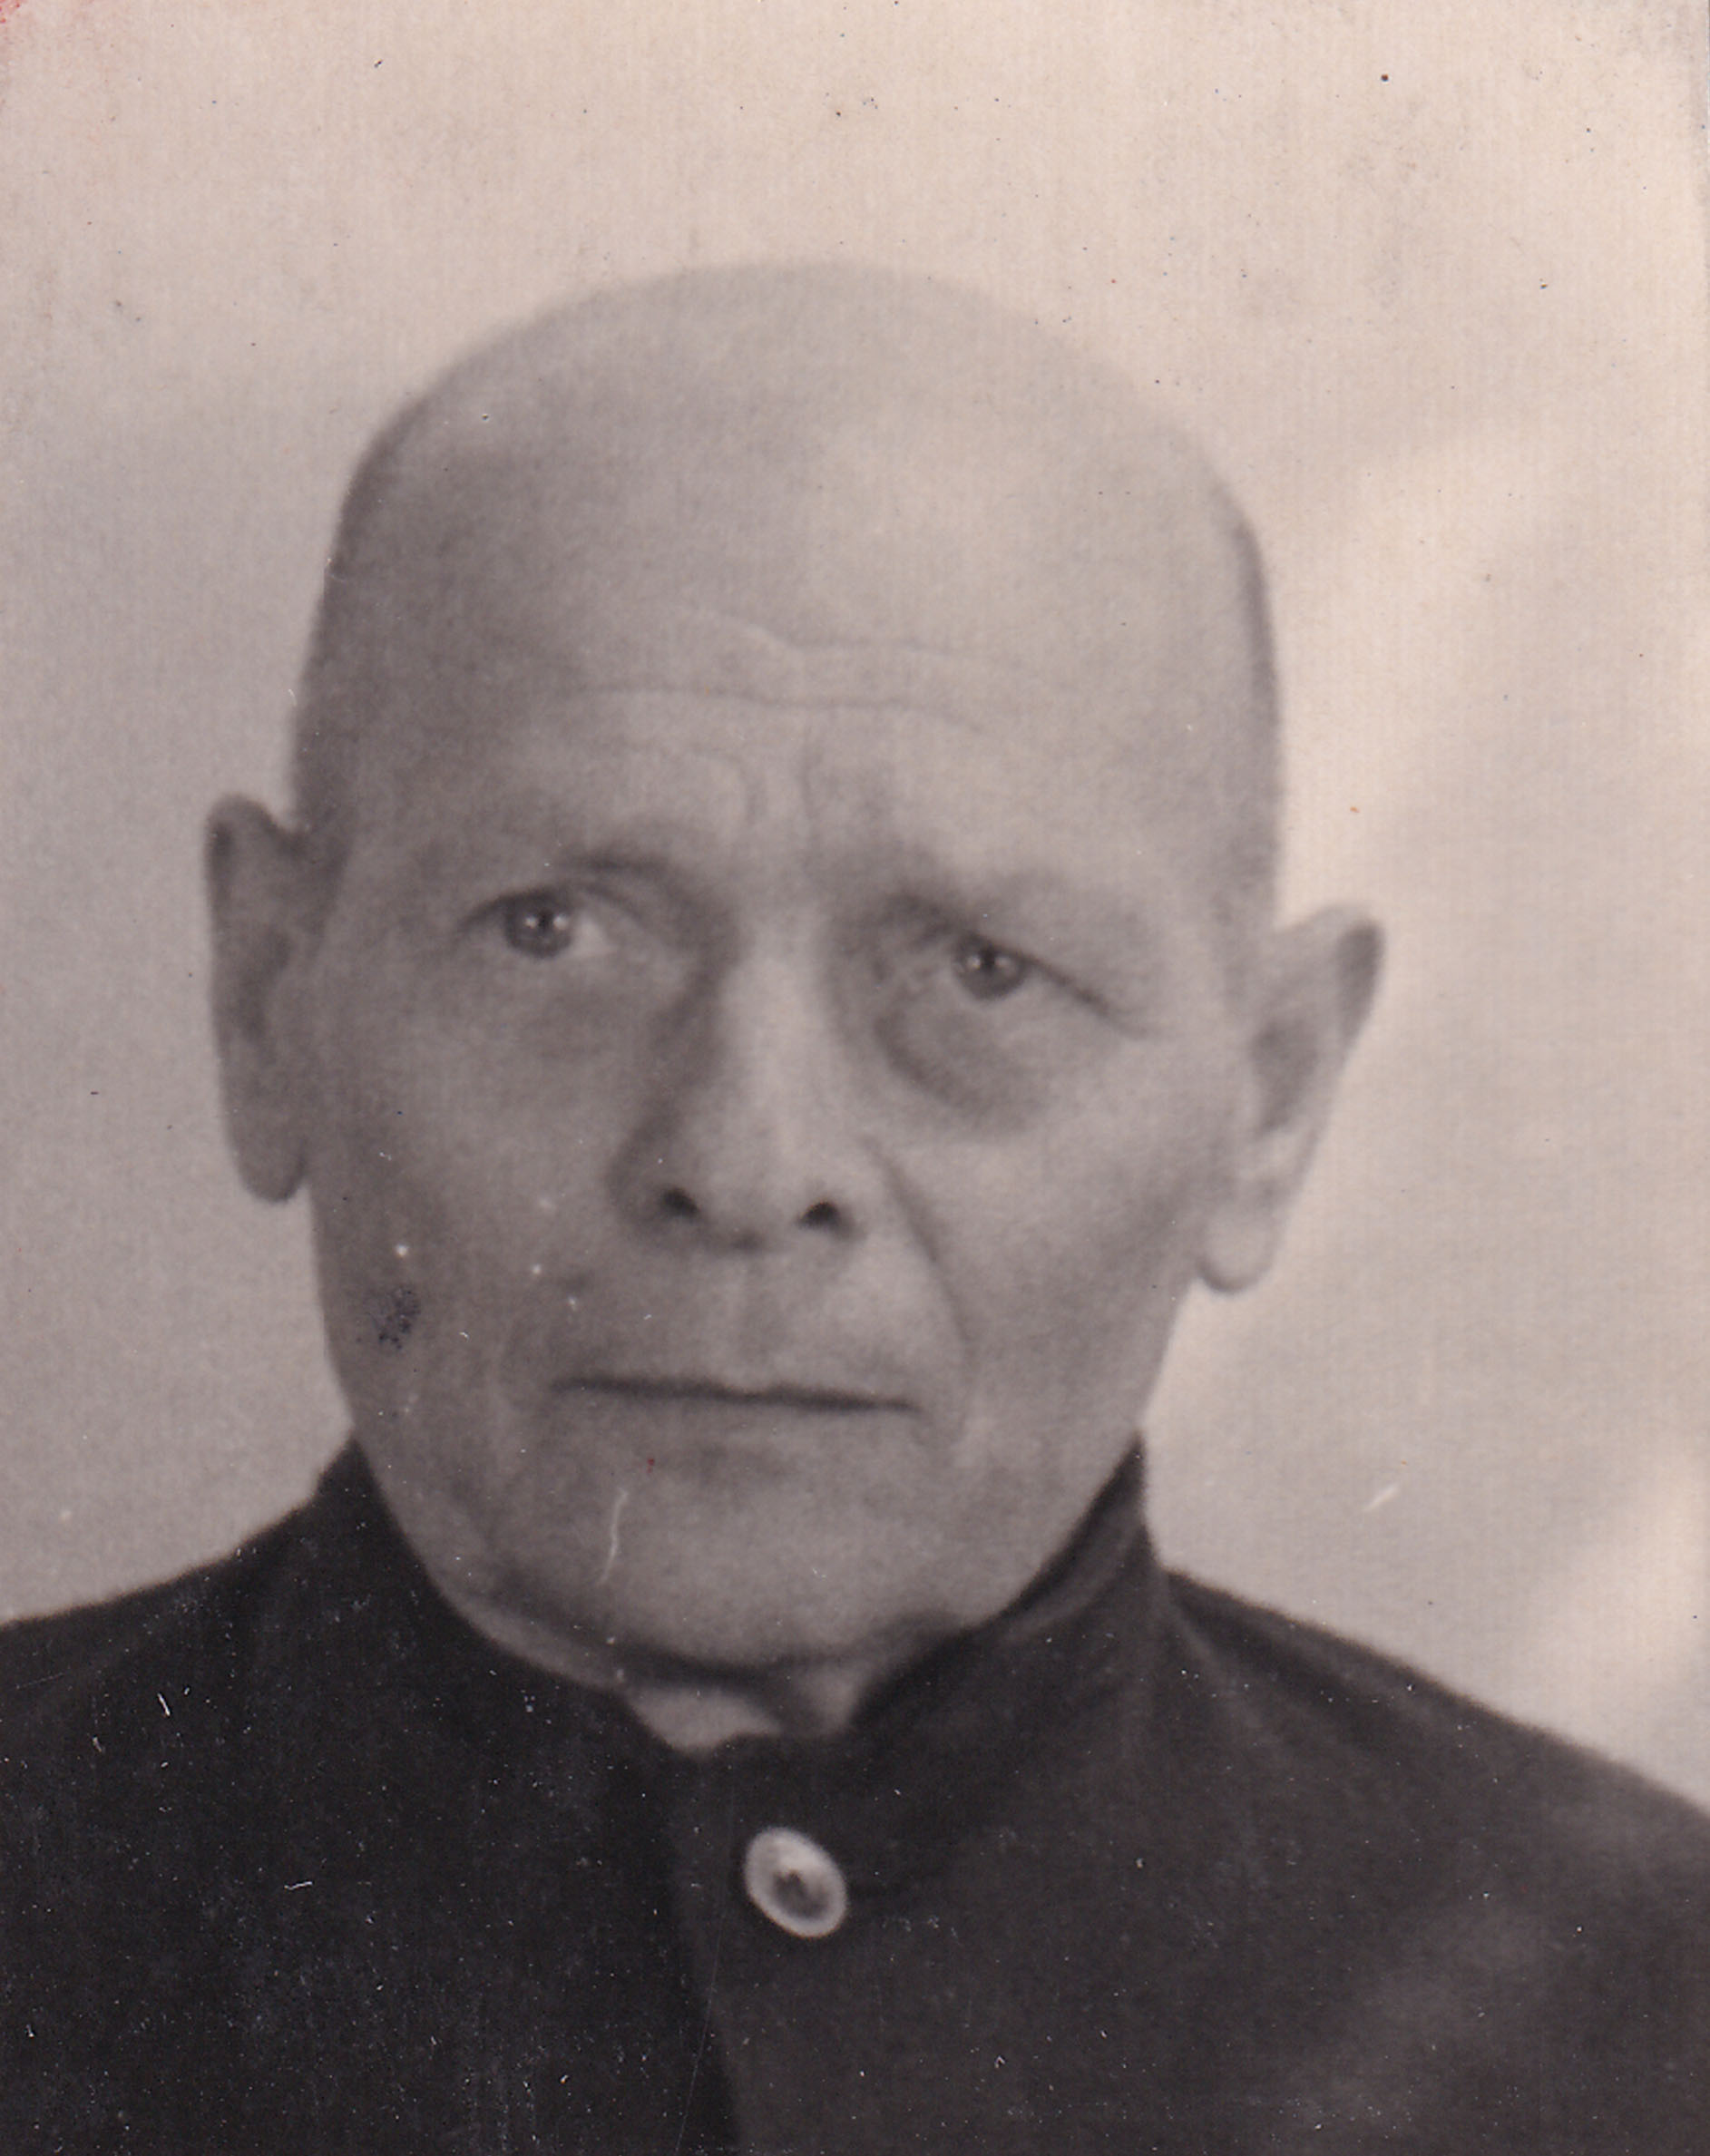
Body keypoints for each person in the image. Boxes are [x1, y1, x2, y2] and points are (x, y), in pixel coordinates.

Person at [2, 263, 1705, 2155]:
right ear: (267, 1001)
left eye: (979, 970)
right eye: (552, 929)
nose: (744, 1163)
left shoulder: (1648, 2026)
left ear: (1270, 1098)